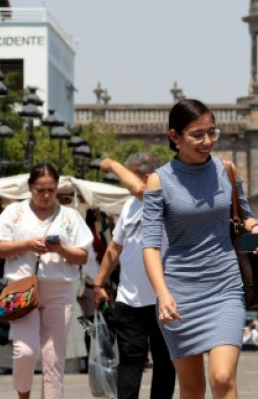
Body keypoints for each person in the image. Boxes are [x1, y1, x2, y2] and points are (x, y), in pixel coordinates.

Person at [142, 98, 258, 399]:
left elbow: (246, 217)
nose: (207, 141)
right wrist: (162, 294)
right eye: (197, 134)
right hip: (180, 294)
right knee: (192, 388)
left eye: (212, 132)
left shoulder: (226, 170)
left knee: (223, 378)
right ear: (174, 137)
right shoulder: (158, 181)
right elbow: (150, 245)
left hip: (225, 288)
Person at [0, 163, 94, 399]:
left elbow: (83, 256)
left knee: (53, 358)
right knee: (25, 351)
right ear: (30, 187)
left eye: (51, 190)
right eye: (40, 190)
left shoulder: (70, 216)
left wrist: (61, 248)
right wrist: (27, 244)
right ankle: (23, 396)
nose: (46, 195)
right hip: (22, 289)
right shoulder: (15, 212)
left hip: (60, 289)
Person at [93, 153, 176, 399]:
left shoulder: (164, 197)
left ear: (150, 176)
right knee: (130, 360)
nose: (125, 182)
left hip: (163, 299)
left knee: (164, 362)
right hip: (129, 300)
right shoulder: (129, 206)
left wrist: (112, 165)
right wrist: (99, 283)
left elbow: (139, 188)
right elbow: (114, 248)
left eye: (130, 173)